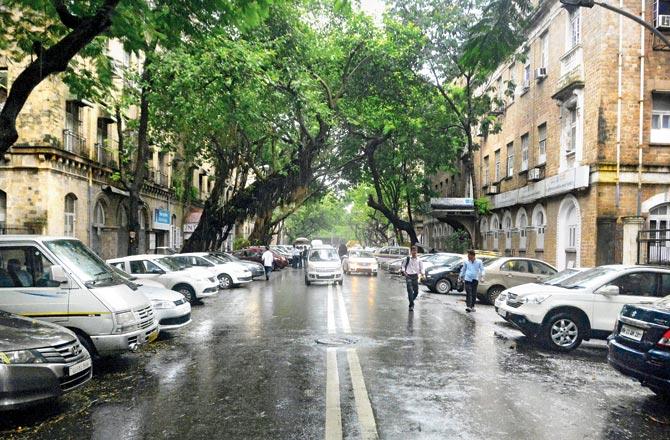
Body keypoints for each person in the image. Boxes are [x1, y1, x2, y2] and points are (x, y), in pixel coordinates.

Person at [401, 245, 424, 312]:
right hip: (408, 276)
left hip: (415, 276)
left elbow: (422, 268)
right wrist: (404, 272)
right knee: (410, 290)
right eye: (413, 250)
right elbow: (403, 266)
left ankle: (411, 300)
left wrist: (422, 273)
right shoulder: (407, 258)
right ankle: (411, 305)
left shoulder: (419, 260)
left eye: (415, 251)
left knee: (416, 292)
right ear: (411, 251)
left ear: (417, 251)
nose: (414, 252)